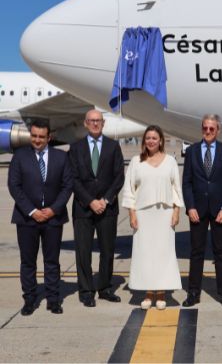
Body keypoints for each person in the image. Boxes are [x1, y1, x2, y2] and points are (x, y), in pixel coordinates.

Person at [9, 119, 73, 316]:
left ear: (49, 137)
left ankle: (53, 300)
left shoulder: (61, 157)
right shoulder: (19, 156)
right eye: (34, 136)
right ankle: (29, 299)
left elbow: (67, 186)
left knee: (51, 261)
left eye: (41, 137)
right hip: (26, 218)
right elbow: (14, 186)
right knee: (28, 262)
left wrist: (53, 209)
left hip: (53, 218)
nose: (37, 140)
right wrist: (32, 211)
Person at [121, 125, 184, 310]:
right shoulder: (135, 161)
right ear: (144, 141)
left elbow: (176, 188)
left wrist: (176, 211)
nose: (151, 141)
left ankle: (162, 292)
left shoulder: (170, 161)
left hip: (164, 214)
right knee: (145, 253)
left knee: (163, 253)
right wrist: (132, 214)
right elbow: (129, 189)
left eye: (154, 138)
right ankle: (148, 292)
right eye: (148, 138)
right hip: (143, 214)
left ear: (161, 140)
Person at [68, 109, 125, 307]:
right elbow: (72, 179)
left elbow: (119, 177)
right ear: (85, 123)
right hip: (83, 208)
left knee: (107, 250)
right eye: (91, 121)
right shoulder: (75, 148)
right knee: (83, 252)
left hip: (107, 208)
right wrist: (90, 201)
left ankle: (105, 288)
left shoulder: (113, 146)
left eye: (98, 121)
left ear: (103, 123)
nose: (94, 124)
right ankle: (86, 291)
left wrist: (105, 199)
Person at [182, 114, 222, 308]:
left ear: (218, 130)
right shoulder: (192, 151)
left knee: (221, 253)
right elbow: (186, 182)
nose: (208, 131)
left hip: (219, 210)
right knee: (196, 252)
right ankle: (193, 292)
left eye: (212, 129)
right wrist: (190, 207)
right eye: (205, 128)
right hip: (198, 210)